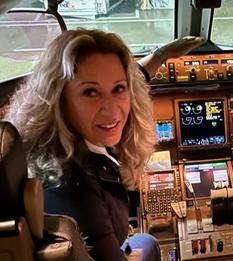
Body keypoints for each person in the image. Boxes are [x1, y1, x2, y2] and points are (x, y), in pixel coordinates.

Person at [5, 29, 203, 260]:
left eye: (118, 88)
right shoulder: (75, 191)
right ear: (58, 98)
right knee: (146, 242)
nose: (111, 110)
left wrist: (161, 55)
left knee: (144, 241)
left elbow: (132, 78)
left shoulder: (55, 142)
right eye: (91, 92)